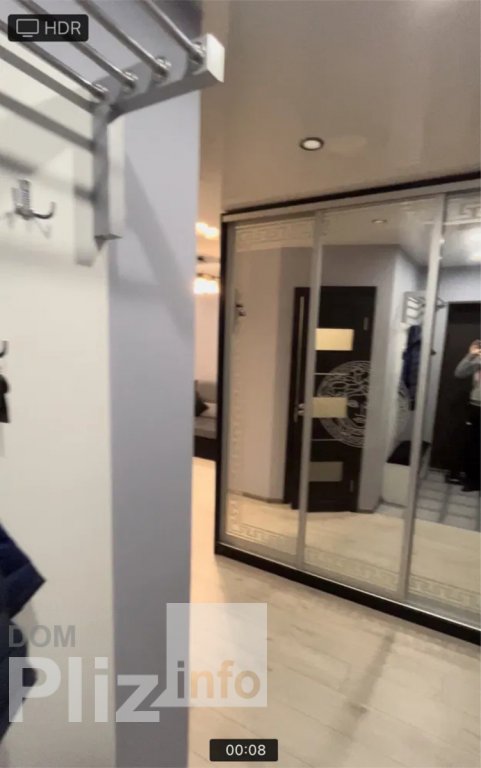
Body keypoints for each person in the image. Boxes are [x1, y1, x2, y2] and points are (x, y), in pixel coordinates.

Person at [455, 340, 481, 492]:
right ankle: (472, 480)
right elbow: (459, 373)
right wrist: (470, 355)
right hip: (476, 406)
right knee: (473, 445)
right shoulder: (477, 360)